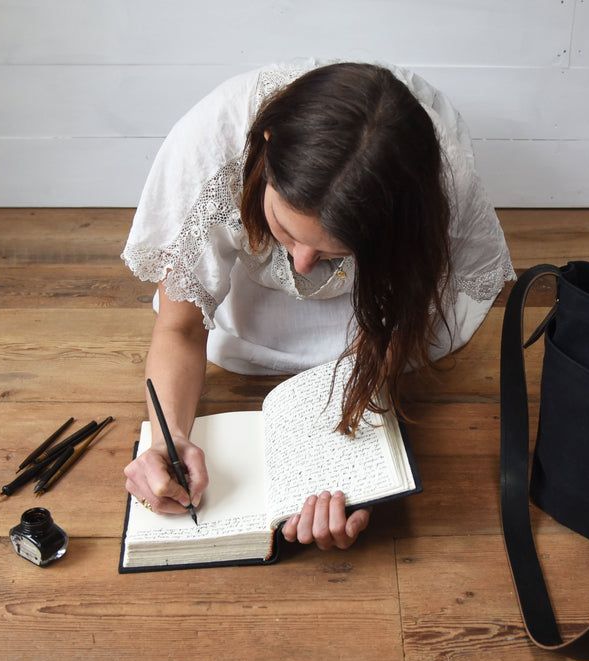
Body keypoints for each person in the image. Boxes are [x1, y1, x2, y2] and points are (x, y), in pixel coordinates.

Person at [120, 59, 514, 551]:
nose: (303, 265)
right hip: (250, 285)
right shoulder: (207, 148)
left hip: (377, 288)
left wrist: (364, 472)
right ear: (266, 146)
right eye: (287, 229)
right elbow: (179, 328)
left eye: (330, 250)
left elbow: (398, 320)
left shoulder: (440, 184)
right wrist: (168, 439)